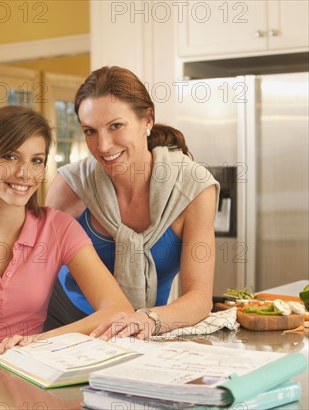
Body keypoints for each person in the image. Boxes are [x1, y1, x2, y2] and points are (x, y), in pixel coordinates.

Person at [0, 105, 134, 381]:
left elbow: (119, 309)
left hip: (30, 377)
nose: (25, 173)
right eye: (10, 156)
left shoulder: (58, 228)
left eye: (36, 160)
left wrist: (42, 341)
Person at [43, 66, 219, 339]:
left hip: (150, 324)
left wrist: (146, 320)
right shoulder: (71, 186)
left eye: (116, 126)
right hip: (66, 322)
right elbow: (28, 260)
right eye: (90, 131)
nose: (102, 146)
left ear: (147, 120)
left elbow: (199, 297)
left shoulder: (192, 188)